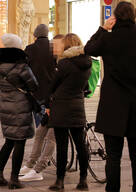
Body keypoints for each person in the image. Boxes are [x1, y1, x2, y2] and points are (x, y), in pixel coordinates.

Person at [84, 2, 136, 192]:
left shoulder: (108, 39)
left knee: (113, 155)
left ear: (115, 17)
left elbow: (88, 49)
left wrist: (102, 29)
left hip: (113, 105)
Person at [0, 34, 38, 189]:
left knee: (9, 141)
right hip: (21, 106)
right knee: (20, 142)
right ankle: (14, 179)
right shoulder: (21, 66)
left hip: (5, 105)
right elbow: (33, 85)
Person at [48, 33, 91, 191]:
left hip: (61, 107)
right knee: (81, 145)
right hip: (77, 106)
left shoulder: (65, 63)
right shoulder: (87, 63)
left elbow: (53, 84)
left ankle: (60, 181)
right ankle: (83, 180)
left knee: (62, 146)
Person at [19, 29, 62, 181]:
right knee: (41, 132)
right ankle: (32, 164)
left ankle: (38, 168)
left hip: (47, 98)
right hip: (50, 98)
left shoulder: (31, 49)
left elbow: (24, 69)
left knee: (49, 135)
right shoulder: (56, 57)